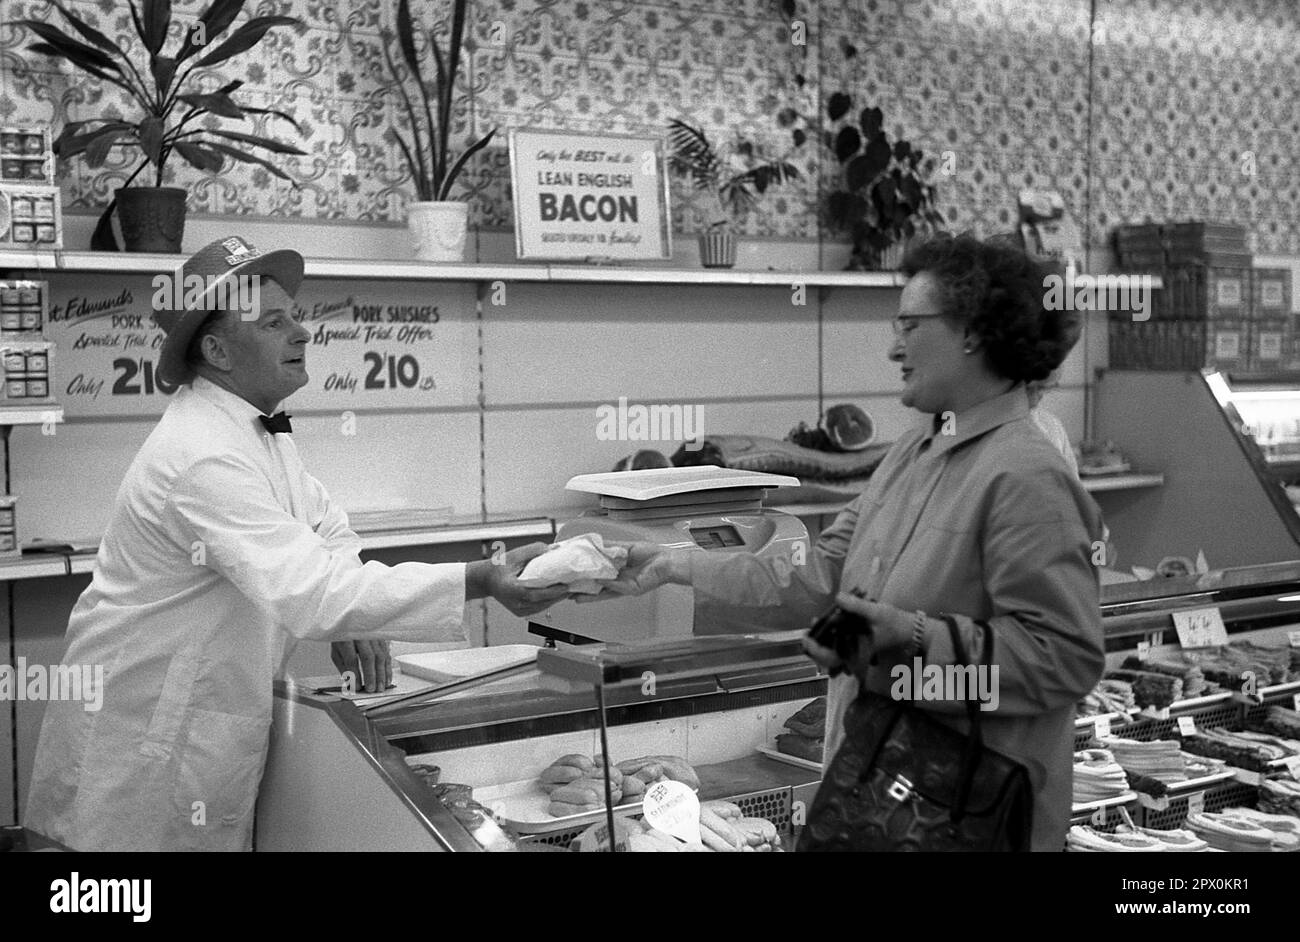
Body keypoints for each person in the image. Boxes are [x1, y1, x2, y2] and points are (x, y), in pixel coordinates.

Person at [24, 236, 567, 852]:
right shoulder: (201, 456)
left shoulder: (256, 431)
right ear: (217, 350)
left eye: (295, 316)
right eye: (275, 322)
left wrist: (348, 619)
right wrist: (482, 577)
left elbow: (325, 530)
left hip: (194, 727)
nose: (303, 332)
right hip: (143, 741)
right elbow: (311, 589)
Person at [598, 234, 1106, 851]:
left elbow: (1064, 658)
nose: (893, 346)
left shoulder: (1027, 473)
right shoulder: (913, 455)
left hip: (975, 815)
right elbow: (815, 574)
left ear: (971, 332)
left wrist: (915, 639)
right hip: (886, 800)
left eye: (910, 325)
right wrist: (675, 563)